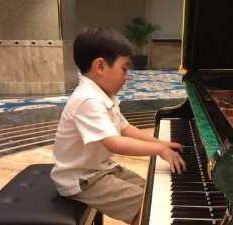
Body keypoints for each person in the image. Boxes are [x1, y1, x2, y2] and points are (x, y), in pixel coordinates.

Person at [50, 27, 186, 225]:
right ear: (100, 67)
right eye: (124, 68)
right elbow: (115, 143)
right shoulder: (87, 100)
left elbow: (126, 129)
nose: (127, 76)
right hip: (81, 181)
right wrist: (158, 149)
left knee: (151, 191)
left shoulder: (104, 95)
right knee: (146, 205)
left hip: (99, 170)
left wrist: (161, 142)